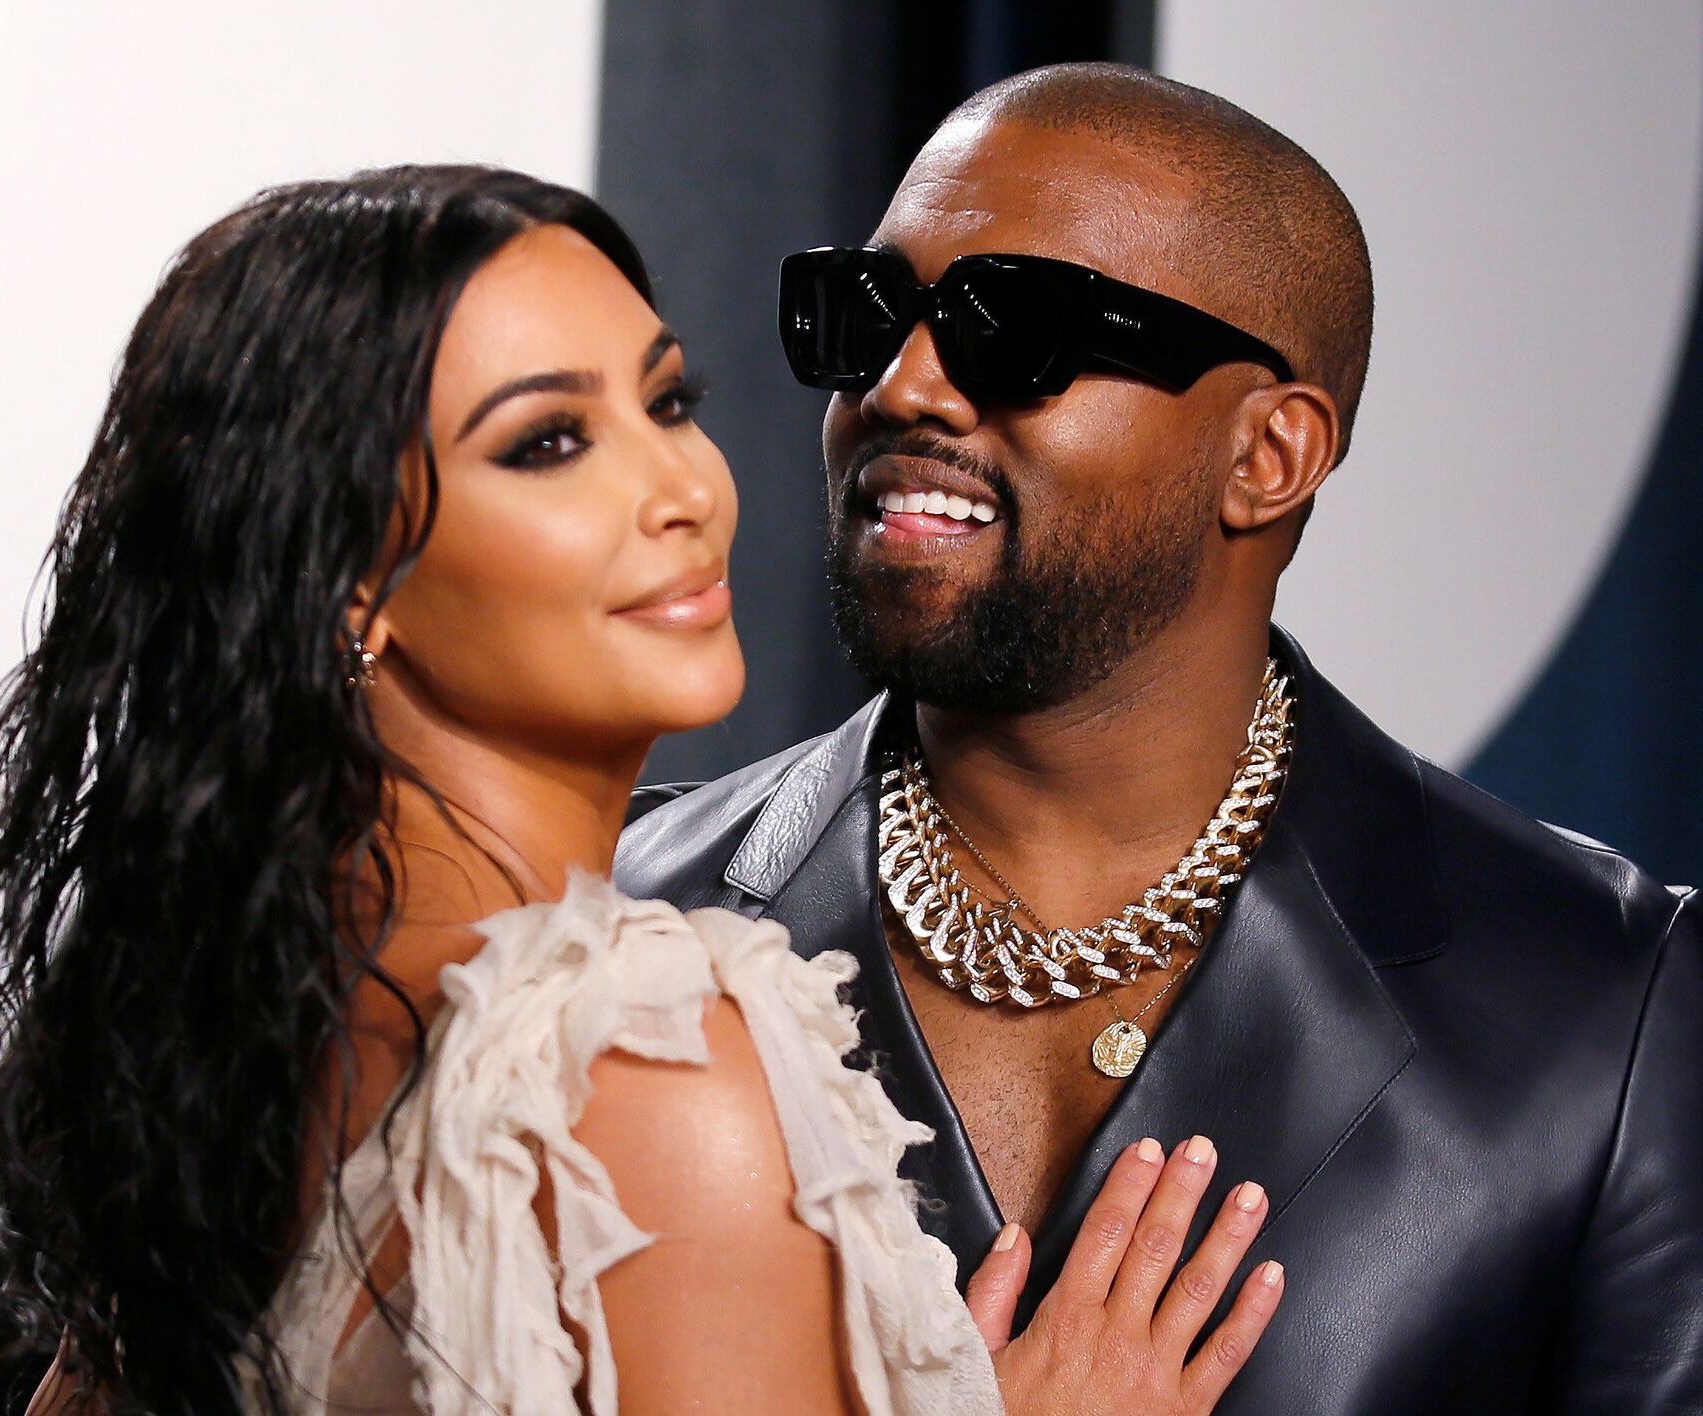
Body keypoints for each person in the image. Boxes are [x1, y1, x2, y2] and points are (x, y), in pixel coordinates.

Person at [0, 164, 1282, 1416]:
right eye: (549, 442)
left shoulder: (253, 1016)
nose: (683, 489)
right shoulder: (645, 1069)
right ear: (349, 584)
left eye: (669, 402)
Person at [616, 62, 1703, 1414]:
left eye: (1015, 331)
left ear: (1270, 455)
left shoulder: (1608, 1006)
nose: (903, 386)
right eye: (868, 315)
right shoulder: (614, 927)